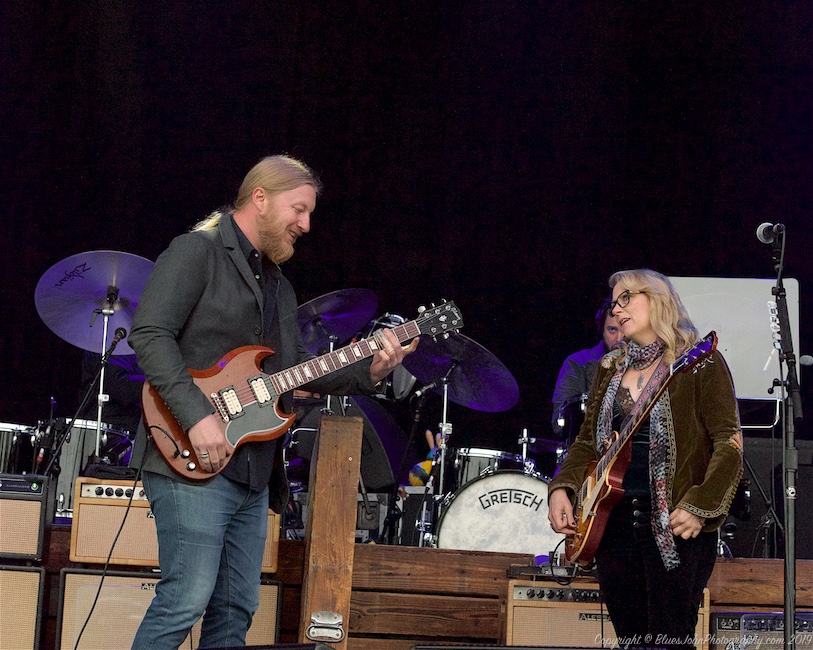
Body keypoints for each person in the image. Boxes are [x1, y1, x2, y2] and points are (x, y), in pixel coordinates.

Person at [128, 155, 418, 649]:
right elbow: (151, 334)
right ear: (260, 198)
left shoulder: (278, 285)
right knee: (185, 600)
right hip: (187, 453)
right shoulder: (196, 252)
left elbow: (298, 368)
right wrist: (198, 418)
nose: (305, 225)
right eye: (299, 209)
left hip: (252, 470)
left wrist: (370, 369)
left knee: (234, 613)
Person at [548, 269, 743, 650]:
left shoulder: (699, 362)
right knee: (631, 642)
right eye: (614, 302)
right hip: (611, 525)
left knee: (670, 642)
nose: (617, 310)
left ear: (658, 299)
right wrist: (562, 488)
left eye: (626, 298)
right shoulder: (609, 368)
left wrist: (701, 504)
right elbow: (587, 442)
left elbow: (729, 441)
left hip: (674, 524)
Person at [550, 301, 623, 439]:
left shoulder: (643, 365)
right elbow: (559, 423)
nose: (619, 338)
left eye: (624, 329)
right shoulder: (578, 363)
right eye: (612, 330)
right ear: (601, 329)